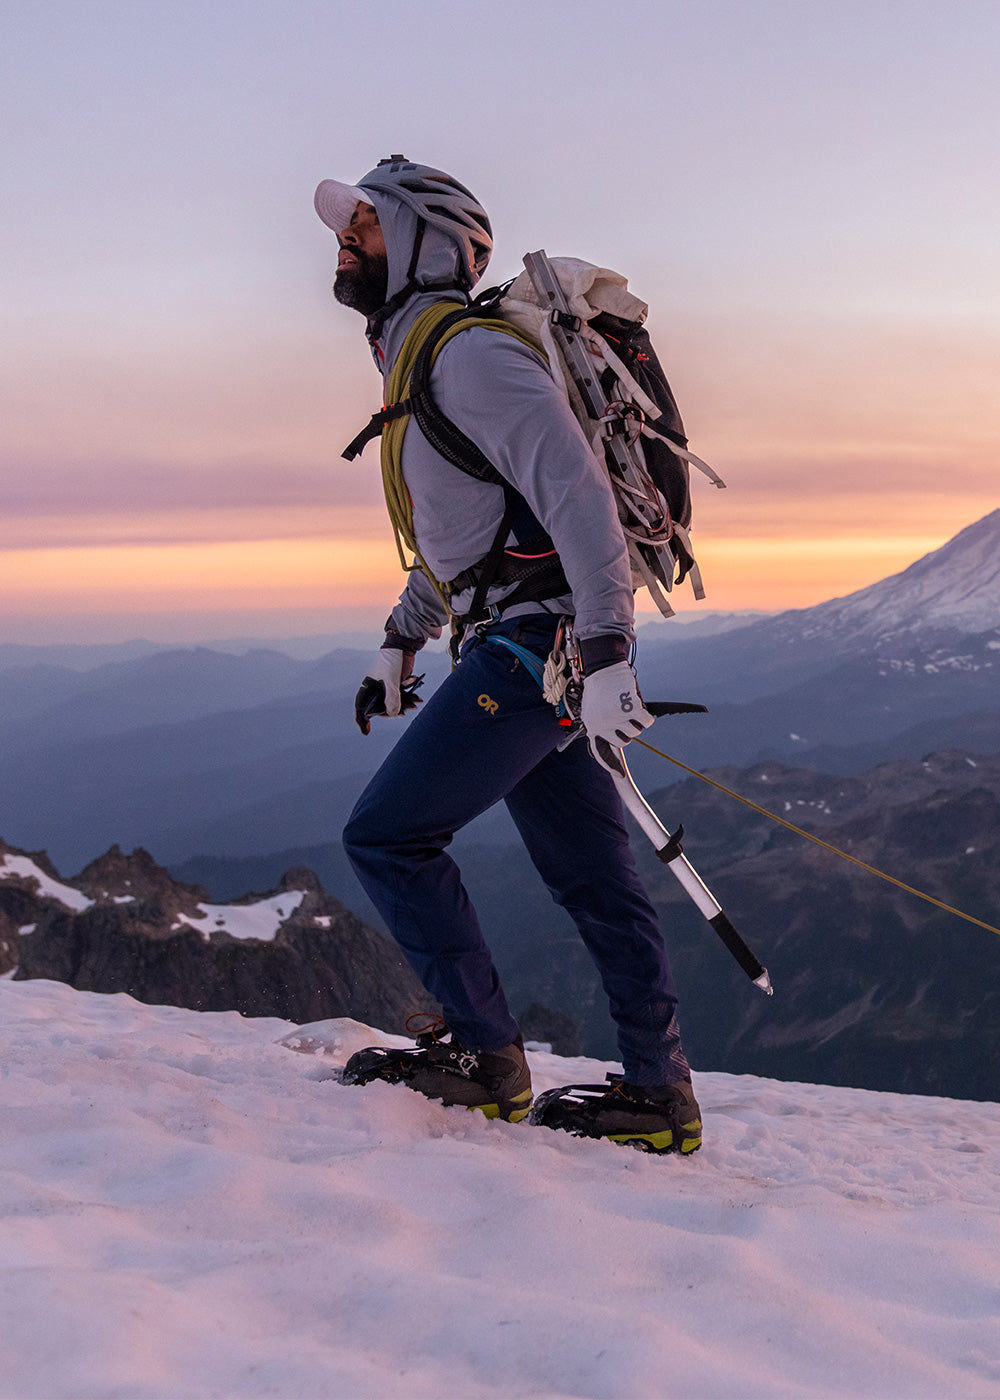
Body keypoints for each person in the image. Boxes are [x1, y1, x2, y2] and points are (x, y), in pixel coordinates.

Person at [314, 156, 701, 1153]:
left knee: (387, 836)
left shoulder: (466, 358)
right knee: (593, 877)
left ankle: (488, 1059)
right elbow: (463, 538)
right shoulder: (427, 363)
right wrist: (402, 636)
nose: (345, 240)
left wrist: (611, 645)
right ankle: (661, 1096)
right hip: (537, 643)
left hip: (537, 648)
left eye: (363, 223)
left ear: (418, 240)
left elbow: (573, 497)